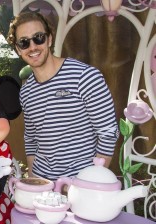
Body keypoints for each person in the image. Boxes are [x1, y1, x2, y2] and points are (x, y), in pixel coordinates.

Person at [7, 11, 119, 181]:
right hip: (44, 189)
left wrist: (91, 183)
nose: (32, 47)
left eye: (38, 38)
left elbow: (108, 133)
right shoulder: (26, 92)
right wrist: (34, 180)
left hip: (82, 186)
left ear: (49, 39)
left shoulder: (85, 77)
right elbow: (31, 140)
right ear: (18, 49)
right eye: (24, 42)